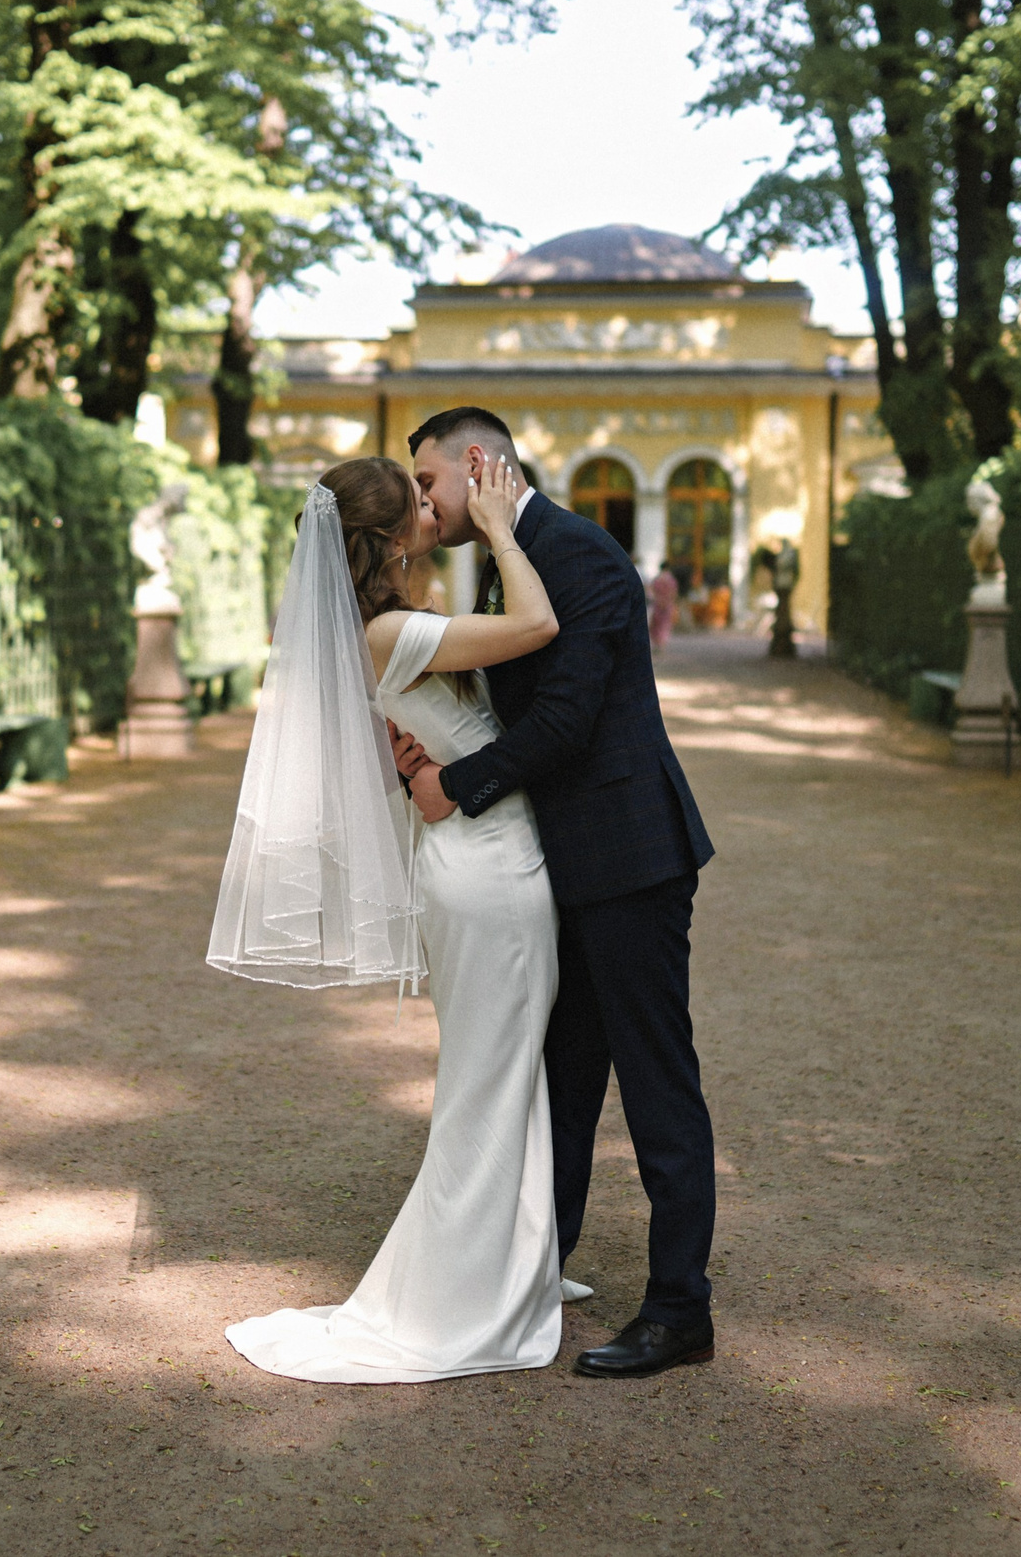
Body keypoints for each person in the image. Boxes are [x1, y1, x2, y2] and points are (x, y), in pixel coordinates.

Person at [207, 452, 578, 1383]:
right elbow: (537, 624)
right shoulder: (390, 631)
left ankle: (508, 1266)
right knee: (486, 1088)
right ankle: (456, 1298)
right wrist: (500, 526)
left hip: (479, 862)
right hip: (489, 874)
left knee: (499, 1076)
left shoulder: (380, 630)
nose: (435, 501)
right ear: (385, 534)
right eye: (418, 496)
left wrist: (420, 765)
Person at [398, 406, 719, 1381]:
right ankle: (537, 1262)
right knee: (563, 1081)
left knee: (656, 1084)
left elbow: (572, 720)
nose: (422, 502)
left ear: (478, 465)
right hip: (569, 867)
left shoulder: (574, 554)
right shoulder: (513, 556)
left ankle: (679, 1311)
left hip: (629, 860)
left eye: (428, 481)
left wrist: (454, 786)